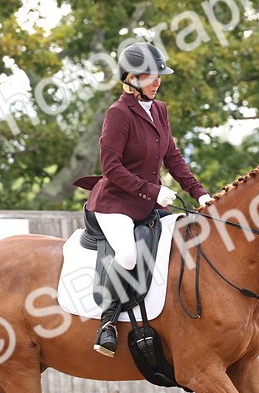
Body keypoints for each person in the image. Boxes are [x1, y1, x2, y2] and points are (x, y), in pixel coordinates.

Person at [74, 42, 213, 357]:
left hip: (149, 205)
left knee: (185, 241)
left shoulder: (160, 110)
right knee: (127, 256)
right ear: (131, 78)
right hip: (115, 204)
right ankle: (107, 325)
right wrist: (153, 190)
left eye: (159, 76)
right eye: (150, 76)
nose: (157, 81)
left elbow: (173, 158)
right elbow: (111, 168)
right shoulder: (118, 113)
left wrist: (201, 193)